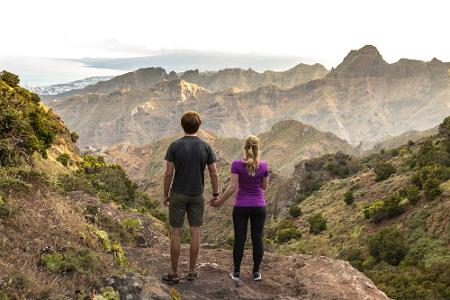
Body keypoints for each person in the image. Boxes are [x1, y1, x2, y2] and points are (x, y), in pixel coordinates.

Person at [162, 111, 219, 284]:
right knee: (195, 232)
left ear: (182, 125)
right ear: (198, 125)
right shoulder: (206, 147)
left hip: (178, 194)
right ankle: (192, 272)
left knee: (176, 232)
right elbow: (214, 173)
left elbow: (168, 173)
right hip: (197, 194)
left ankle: (173, 273)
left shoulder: (174, 146)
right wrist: (216, 194)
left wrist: (165, 194)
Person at [210, 135, 268, 281]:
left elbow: (232, 188)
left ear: (245, 147)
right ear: (257, 148)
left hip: (241, 206)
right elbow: (264, 187)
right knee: (258, 239)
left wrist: (219, 202)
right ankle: (256, 273)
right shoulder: (264, 165)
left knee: (240, 239)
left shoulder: (236, 164)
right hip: (259, 206)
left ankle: (236, 272)